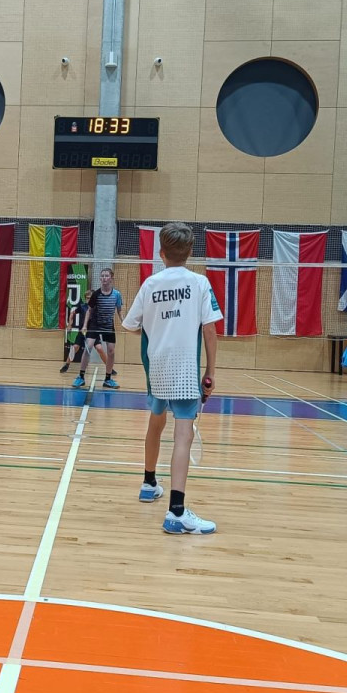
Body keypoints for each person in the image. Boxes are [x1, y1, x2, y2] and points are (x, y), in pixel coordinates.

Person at [122, 223, 222, 535]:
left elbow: (130, 325)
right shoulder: (200, 283)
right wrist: (210, 372)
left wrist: (157, 327)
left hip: (156, 367)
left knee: (156, 422)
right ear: (190, 252)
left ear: (161, 252)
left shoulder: (150, 284)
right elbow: (209, 329)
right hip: (184, 369)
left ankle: (149, 482)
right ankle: (177, 512)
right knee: (183, 435)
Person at [74, 267, 123, 390]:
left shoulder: (117, 294)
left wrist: (124, 322)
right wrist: (85, 325)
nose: (104, 278)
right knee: (88, 348)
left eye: (106, 276)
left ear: (111, 278)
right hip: (95, 324)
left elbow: (119, 311)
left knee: (111, 351)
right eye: (102, 276)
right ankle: (81, 377)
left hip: (108, 325)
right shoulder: (96, 294)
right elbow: (89, 311)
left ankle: (108, 379)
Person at [60, 290, 91, 373]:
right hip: (82, 331)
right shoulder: (82, 307)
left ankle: (110, 368)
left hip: (92, 332)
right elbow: (72, 313)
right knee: (75, 347)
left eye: (90, 298)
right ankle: (67, 365)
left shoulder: (96, 307)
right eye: (87, 298)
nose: (88, 300)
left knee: (99, 348)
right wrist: (70, 324)